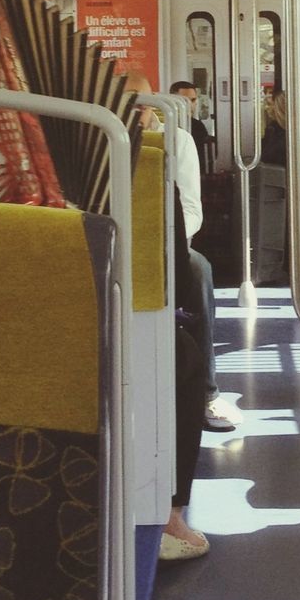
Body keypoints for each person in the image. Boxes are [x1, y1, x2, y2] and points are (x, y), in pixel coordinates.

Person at [127, 73, 242, 433]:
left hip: (164, 243)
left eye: (142, 105)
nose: (137, 114)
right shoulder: (102, 137)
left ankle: (207, 392)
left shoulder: (176, 141)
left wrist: (167, 242)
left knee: (198, 271)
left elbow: (192, 211)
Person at [169, 79, 211, 171]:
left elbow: (201, 162)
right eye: (185, 100)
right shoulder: (164, 125)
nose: (190, 105)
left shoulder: (198, 126)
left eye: (193, 100)